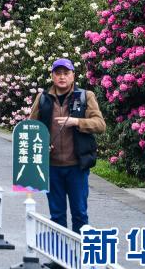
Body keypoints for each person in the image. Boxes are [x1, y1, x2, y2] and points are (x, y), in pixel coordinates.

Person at [29, 58, 105, 237]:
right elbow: (32, 128)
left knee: (80, 214)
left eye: (66, 73)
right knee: (56, 215)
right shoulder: (43, 98)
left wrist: (77, 122)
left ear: (73, 76)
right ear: (52, 76)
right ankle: (59, 251)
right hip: (51, 167)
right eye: (58, 73)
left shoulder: (85, 96)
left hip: (77, 166)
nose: (62, 77)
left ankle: (80, 252)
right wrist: (41, 144)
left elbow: (100, 124)